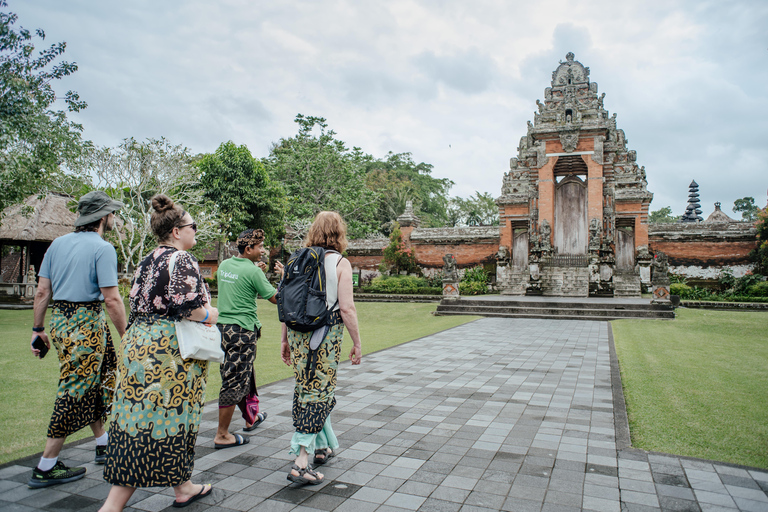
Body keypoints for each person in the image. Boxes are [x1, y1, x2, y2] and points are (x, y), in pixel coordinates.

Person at [100, 195, 217, 511]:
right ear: (177, 231)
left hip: (139, 343)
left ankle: (184, 486)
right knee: (156, 419)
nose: (196, 232)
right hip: (167, 353)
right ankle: (111, 505)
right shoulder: (181, 260)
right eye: (193, 226)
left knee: (153, 416)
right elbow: (189, 308)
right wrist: (213, 314)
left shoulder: (146, 260)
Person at [28, 191, 127, 489]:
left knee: (98, 377)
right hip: (87, 323)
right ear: (102, 217)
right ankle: (46, 466)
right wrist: (127, 335)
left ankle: (103, 443)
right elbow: (112, 300)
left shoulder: (56, 244)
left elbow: (42, 292)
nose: (113, 218)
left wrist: (38, 329)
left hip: (61, 321)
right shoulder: (103, 248)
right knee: (74, 388)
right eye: (111, 213)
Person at [280, 211, 362, 485]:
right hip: (325, 336)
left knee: (307, 388)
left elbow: (285, 304)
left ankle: (321, 446)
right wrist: (357, 342)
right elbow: (347, 308)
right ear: (339, 233)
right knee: (320, 392)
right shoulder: (340, 262)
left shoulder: (295, 260)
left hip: (296, 335)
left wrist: (284, 340)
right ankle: (301, 462)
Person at [214, 228, 284, 448]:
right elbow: (276, 298)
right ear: (248, 249)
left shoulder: (224, 265)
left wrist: (255, 271)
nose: (263, 251)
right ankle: (222, 434)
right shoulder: (254, 272)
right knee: (234, 381)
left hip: (222, 331)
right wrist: (286, 278)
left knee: (244, 375)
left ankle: (250, 417)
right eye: (260, 247)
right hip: (242, 332)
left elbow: (239, 284)